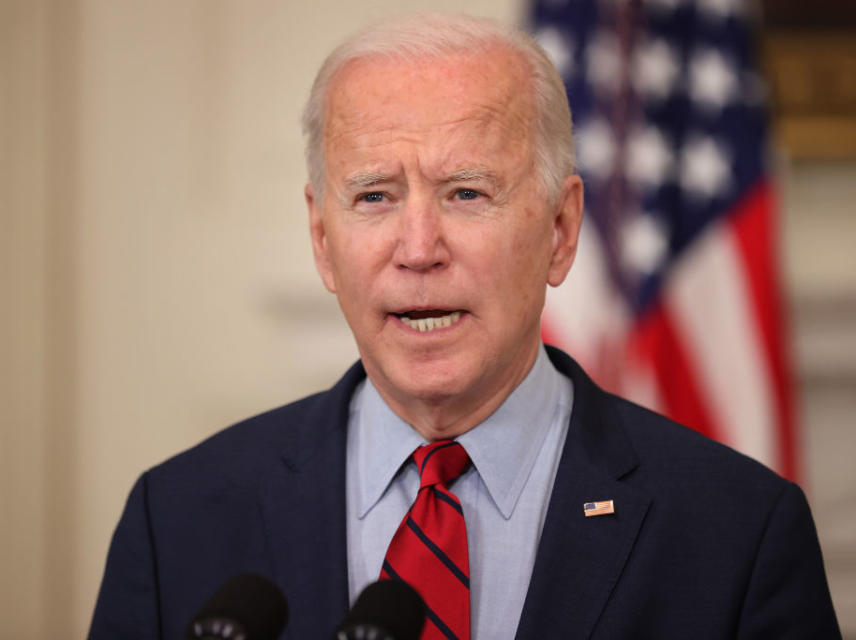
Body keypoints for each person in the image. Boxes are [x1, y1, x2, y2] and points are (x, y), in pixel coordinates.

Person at [89, 13, 840, 640]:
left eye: (468, 193)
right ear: (322, 239)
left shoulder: (740, 534)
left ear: (561, 229)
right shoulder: (176, 521)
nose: (419, 250)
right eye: (376, 197)